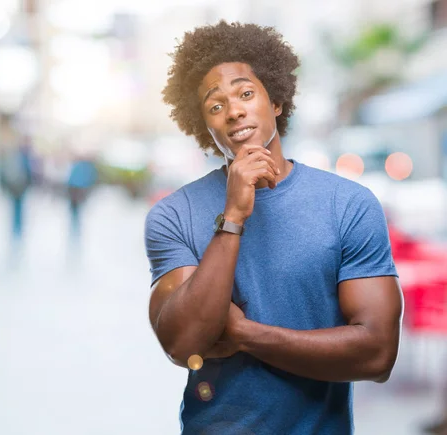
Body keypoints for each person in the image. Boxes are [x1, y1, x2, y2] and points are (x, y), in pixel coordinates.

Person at [144, 21, 403, 435]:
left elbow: (376, 355)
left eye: (246, 93)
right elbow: (183, 344)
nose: (234, 111)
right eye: (215, 106)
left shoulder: (349, 205)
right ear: (206, 128)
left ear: (276, 101)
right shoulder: (173, 215)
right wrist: (232, 217)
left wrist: (245, 334)